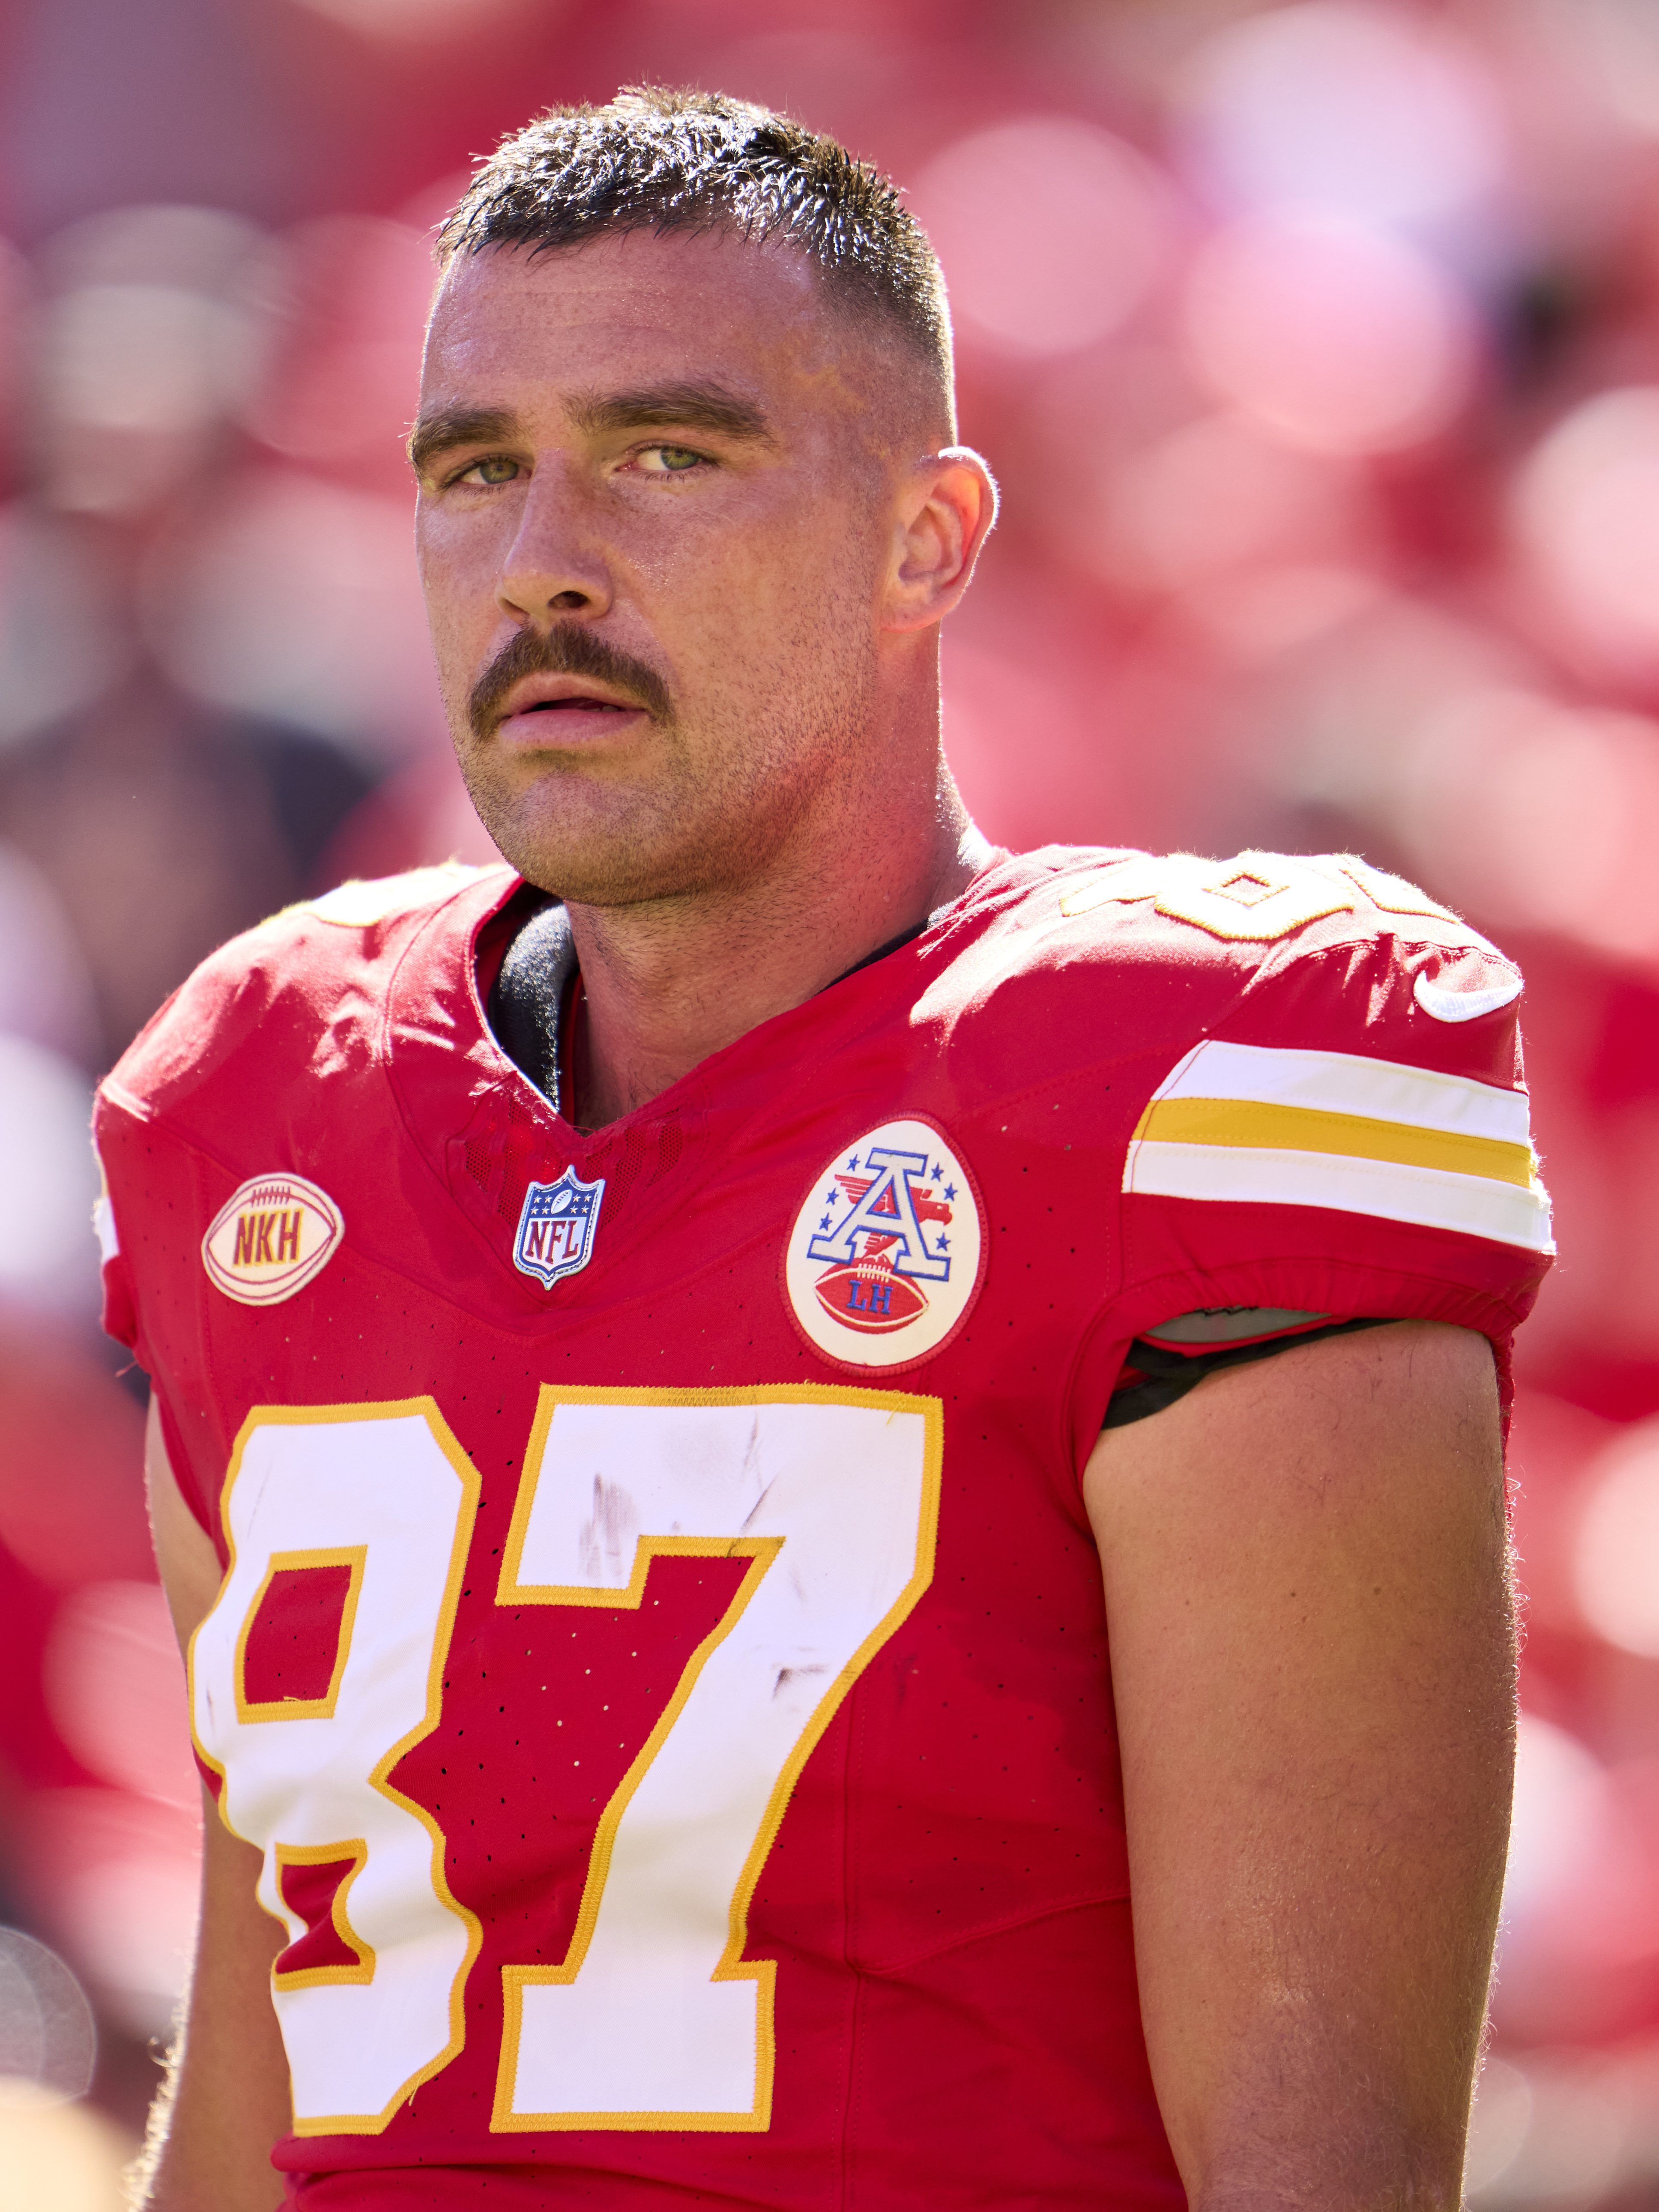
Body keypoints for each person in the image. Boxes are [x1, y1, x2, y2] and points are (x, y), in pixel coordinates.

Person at [96, 88, 1551, 2212]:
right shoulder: (263, 1101)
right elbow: (262, 2095)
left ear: (927, 539)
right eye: (474, 471)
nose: (547, 559)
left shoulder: (1190, 1080)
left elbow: (1321, 2168)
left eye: (670, 455)